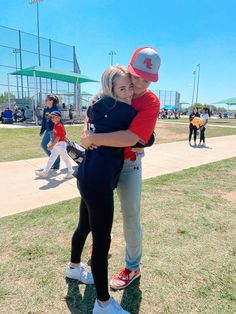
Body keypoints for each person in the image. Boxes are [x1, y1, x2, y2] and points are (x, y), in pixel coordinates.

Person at [80, 47, 161, 291]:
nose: (139, 83)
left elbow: (131, 137)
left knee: (130, 217)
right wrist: (87, 132)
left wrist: (95, 138)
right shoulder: (114, 86)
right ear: (128, 69)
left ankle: (132, 267)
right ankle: (101, 242)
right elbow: (91, 112)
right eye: (136, 75)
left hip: (128, 165)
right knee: (93, 211)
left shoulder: (149, 101)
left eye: (146, 79)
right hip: (102, 161)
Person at [67, 65, 139, 314]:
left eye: (130, 86)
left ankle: (74, 267)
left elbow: (89, 123)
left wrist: (91, 135)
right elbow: (145, 137)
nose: (129, 92)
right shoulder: (122, 111)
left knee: (84, 227)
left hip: (87, 175)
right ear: (111, 89)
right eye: (122, 88)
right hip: (97, 180)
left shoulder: (98, 105)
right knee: (101, 240)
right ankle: (103, 303)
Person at [35, 111, 73, 179]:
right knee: (52, 159)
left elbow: (58, 137)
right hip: (57, 145)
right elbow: (62, 134)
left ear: (58, 118)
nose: (51, 118)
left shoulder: (59, 125)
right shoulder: (56, 125)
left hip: (60, 145)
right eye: (51, 117)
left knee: (65, 159)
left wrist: (52, 145)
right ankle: (45, 172)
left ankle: (71, 172)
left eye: (53, 117)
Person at [39, 94, 60, 170]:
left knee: (55, 148)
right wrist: (42, 130)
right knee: (43, 145)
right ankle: (53, 161)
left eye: (46, 100)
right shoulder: (46, 109)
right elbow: (44, 120)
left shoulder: (56, 109)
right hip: (48, 130)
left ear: (51, 101)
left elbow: (59, 121)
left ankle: (56, 165)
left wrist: (60, 131)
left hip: (54, 131)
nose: (45, 101)